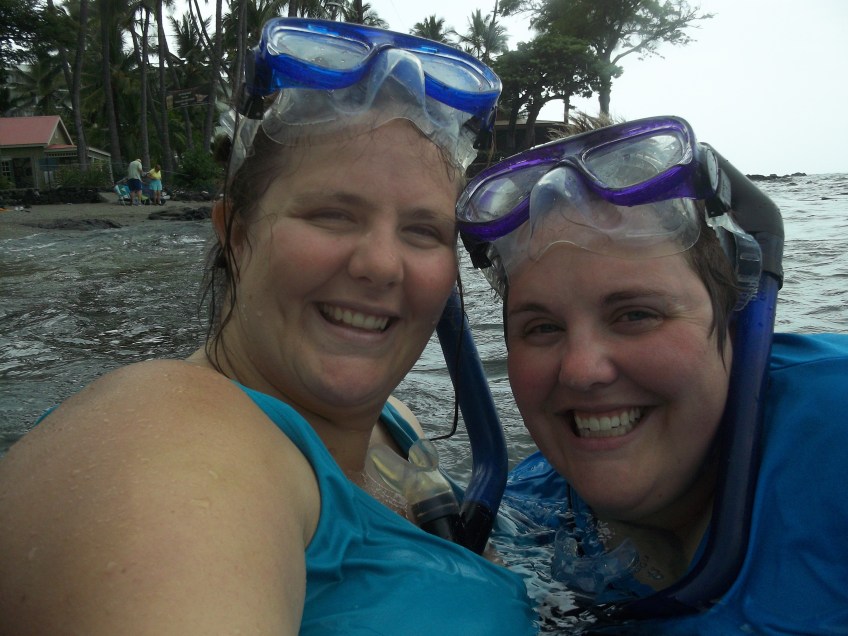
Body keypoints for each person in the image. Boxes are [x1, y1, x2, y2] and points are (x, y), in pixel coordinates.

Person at [0, 18, 537, 635]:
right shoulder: (162, 441)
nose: (382, 264)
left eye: (423, 230)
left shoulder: (397, 427)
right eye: (333, 215)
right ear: (235, 233)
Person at [457, 116, 848, 632]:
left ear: (733, 317)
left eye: (636, 315)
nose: (581, 370)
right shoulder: (518, 515)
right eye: (543, 327)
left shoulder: (835, 430)